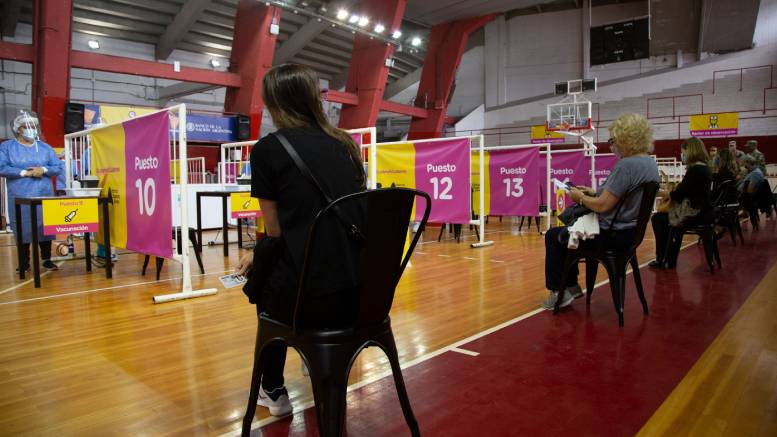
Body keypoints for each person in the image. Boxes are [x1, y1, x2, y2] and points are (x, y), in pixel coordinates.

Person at [235, 64, 365, 416]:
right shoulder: (345, 145)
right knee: (286, 265)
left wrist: (255, 256)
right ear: (312, 99)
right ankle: (314, 358)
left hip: (310, 299)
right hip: (358, 293)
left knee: (263, 281)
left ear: (273, 102)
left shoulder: (268, 150)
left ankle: (274, 389)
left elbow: (274, 231)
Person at [542, 113, 660, 309]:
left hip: (610, 235)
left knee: (554, 236)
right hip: (631, 233)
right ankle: (571, 288)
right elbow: (623, 194)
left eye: (613, 140)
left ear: (626, 138)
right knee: (564, 233)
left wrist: (579, 197)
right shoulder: (649, 164)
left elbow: (603, 206)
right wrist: (594, 192)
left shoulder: (626, 165)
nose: (611, 145)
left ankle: (562, 291)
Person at [0, 112, 64, 272]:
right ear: (18, 129)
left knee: (45, 227)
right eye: (28, 127)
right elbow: (2, 167)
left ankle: (47, 259)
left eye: (34, 127)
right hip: (19, 195)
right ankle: (24, 262)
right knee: (22, 227)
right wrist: (23, 173)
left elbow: (57, 167)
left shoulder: (45, 148)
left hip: (44, 193)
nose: (32, 130)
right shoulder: (7, 147)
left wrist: (42, 169)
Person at [650, 137, 713, 269]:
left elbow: (678, 196)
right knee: (667, 221)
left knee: (657, 218)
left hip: (695, 214)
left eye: (683, 152)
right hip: (705, 212)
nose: (682, 156)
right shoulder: (705, 168)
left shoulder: (695, 170)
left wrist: (660, 193)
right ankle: (669, 258)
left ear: (690, 151)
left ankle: (662, 258)